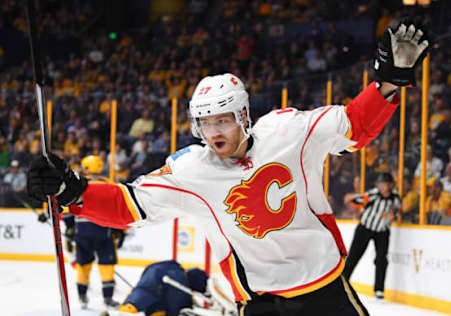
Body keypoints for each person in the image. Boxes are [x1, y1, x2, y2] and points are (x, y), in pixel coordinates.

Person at [27, 20, 429, 316]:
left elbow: (355, 127)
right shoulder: (191, 171)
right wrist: (72, 191)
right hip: (261, 303)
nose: (214, 131)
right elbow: (130, 204)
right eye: (205, 122)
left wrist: (388, 83)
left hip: (326, 289)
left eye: (223, 120)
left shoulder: (291, 130)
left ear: (243, 116)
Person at [62, 155, 125, 309]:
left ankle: (82, 298)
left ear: (85, 167)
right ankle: (108, 299)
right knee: (107, 267)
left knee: (83, 267)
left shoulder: (77, 186)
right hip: (104, 232)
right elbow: (118, 209)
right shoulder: (110, 185)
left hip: (83, 233)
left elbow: (68, 211)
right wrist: (120, 231)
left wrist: (70, 228)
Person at [343, 172, 402, 300]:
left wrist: (393, 216)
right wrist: (352, 198)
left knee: (382, 260)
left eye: (384, 184)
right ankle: (342, 283)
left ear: (391, 185)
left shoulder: (395, 198)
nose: (382, 187)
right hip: (365, 228)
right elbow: (359, 200)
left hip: (382, 231)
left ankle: (379, 289)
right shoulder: (374, 195)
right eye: (380, 184)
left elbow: (399, 210)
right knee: (353, 256)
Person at [112, 260, 208, 316]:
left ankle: (123, 310)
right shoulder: (181, 284)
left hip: (149, 278)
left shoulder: (174, 266)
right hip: (158, 287)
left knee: (137, 298)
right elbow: (176, 308)